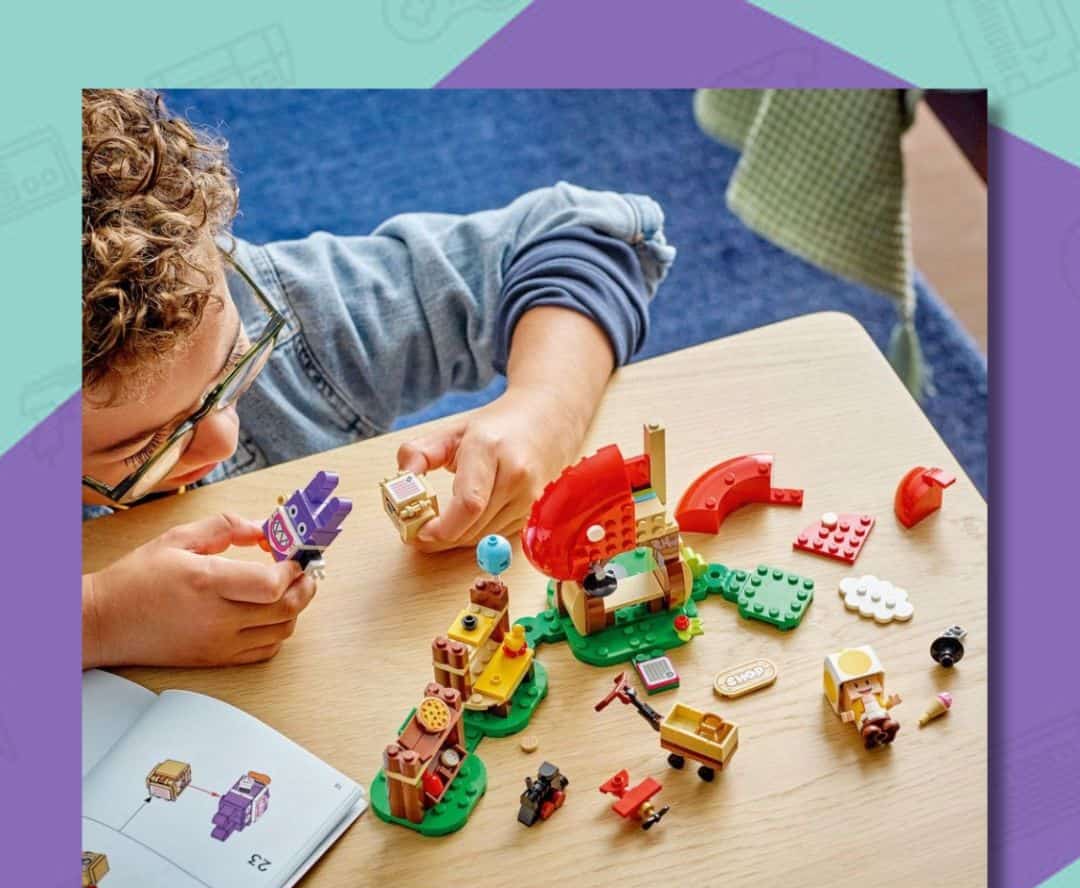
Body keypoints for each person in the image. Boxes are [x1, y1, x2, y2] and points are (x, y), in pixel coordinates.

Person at [80, 89, 674, 669]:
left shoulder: (280, 309)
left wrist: (543, 413)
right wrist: (99, 618)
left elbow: (585, 233)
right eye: (146, 447)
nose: (223, 441)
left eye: (236, 362)